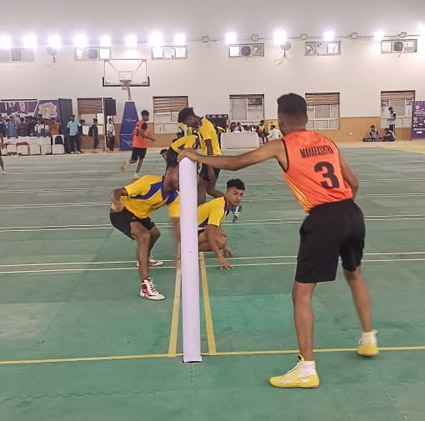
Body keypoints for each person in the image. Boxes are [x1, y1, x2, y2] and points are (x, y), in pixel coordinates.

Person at [179, 93, 378, 389]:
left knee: (301, 295)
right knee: (354, 273)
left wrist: (197, 157)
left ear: (281, 121)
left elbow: (235, 163)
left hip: (323, 219)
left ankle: (306, 368)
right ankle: (369, 338)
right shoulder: (327, 142)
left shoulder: (281, 145)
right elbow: (355, 182)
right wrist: (344, 211)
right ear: (306, 118)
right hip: (352, 212)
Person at [110, 161, 181, 300]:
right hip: (121, 212)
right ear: (168, 173)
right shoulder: (148, 183)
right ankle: (145, 286)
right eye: (179, 175)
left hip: (140, 216)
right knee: (144, 236)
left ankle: (144, 259)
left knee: (155, 234)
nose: (183, 179)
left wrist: (179, 251)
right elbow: (116, 192)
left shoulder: (174, 197)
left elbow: (176, 223)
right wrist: (117, 203)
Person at [177, 107, 224, 205]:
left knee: (201, 187)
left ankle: (200, 211)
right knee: (210, 190)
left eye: (186, 123)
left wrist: (210, 168)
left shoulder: (203, 126)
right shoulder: (202, 124)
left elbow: (209, 147)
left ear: (190, 118)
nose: (188, 126)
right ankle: (232, 205)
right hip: (214, 158)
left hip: (212, 159)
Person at [198, 179, 245, 269]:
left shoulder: (223, 203)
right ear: (227, 193)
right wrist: (219, 256)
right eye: (235, 194)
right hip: (187, 232)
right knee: (220, 242)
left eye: (241, 194)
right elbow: (210, 233)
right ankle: (187, 250)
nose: (238, 198)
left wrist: (224, 247)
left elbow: (215, 226)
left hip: (195, 229)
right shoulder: (219, 207)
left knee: (222, 234)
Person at [121, 110, 156, 179]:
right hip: (141, 145)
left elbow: (135, 132)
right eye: (147, 116)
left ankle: (127, 162)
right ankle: (136, 174)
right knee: (141, 160)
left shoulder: (138, 123)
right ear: (144, 116)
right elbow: (141, 133)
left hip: (135, 144)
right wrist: (150, 138)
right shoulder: (144, 124)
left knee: (134, 160)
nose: (148, 118)